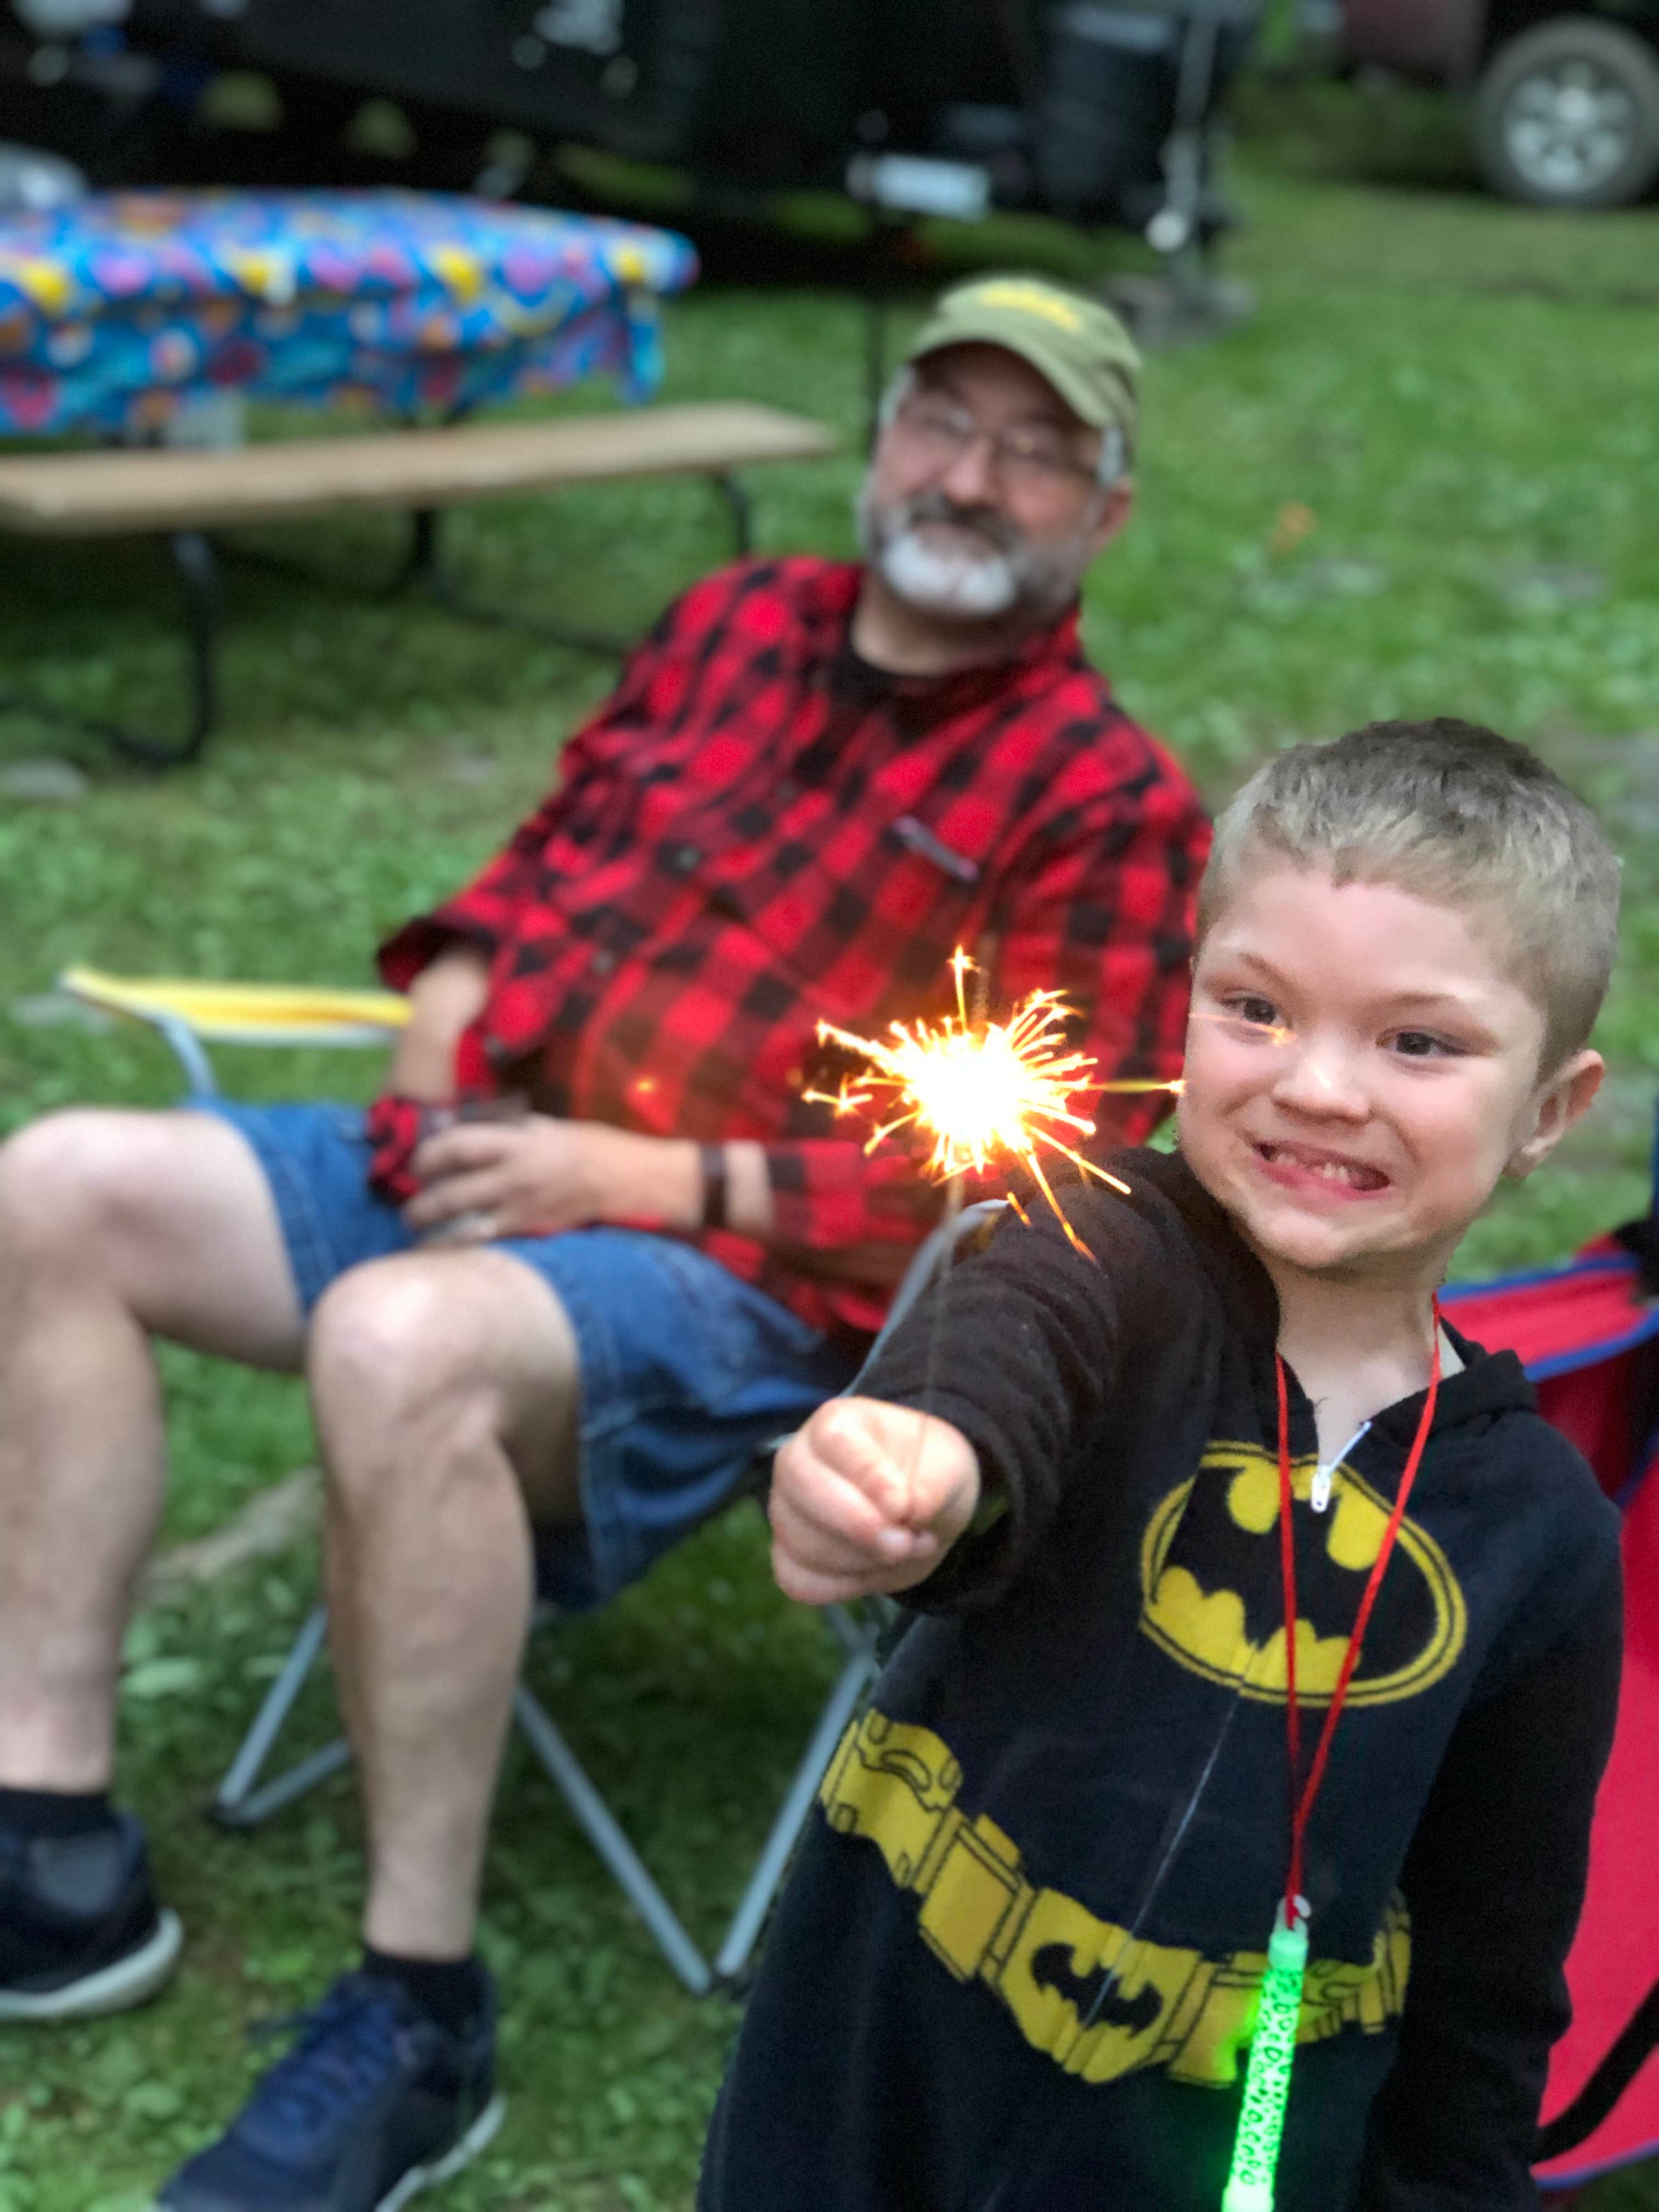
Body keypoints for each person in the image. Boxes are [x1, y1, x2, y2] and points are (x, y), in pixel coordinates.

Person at [0, 275, 1210, 2210]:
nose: (971, 477)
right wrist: (455, 994)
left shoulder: (1102, 800)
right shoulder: (737, 620)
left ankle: (418, 2009)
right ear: (884, 432)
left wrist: (647, 1180)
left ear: (1107, 510)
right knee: (55, 1181)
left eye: (1037, 450)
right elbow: (553, 841)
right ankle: (45, 1836)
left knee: (402, 1342)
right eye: (943, 423)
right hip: (485, 1150)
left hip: (745, 1284)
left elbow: (1042, 1175)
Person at [704, 719, 1624, 2212]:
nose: (1318, 1087)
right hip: (863, 2118)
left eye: (1418, 1042)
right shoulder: (1098, 1253)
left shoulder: (1543, 1542)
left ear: (1551, 1110)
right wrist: (913, 1454)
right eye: (1255, 1007)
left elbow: (1487, 1987)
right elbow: (1000, 1349)